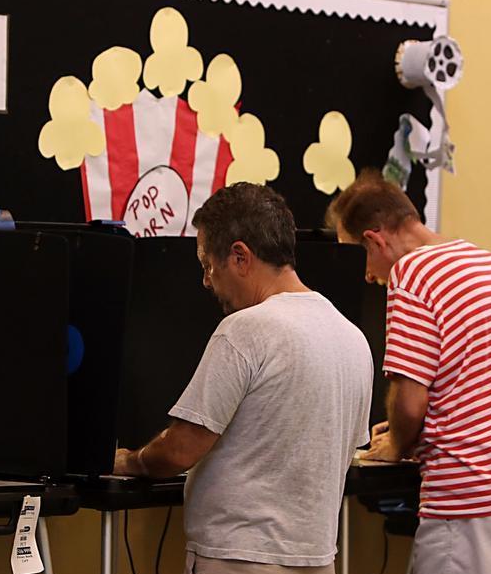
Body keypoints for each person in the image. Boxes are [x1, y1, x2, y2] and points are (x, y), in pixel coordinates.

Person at [114, 183, 374, 574]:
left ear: (239, 256)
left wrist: (129, 461)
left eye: (207, 265)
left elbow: (180, 450)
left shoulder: (244, 331)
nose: (206, 281)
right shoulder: (353, 338)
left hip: (238, 559)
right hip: (318, 559)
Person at [326, 170, 491, 574]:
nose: (367, 276)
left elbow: (410, 402)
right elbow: (483, 388)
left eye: (359, 256)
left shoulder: (413, 275)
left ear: (375, 239)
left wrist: (397, 445)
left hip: (476, 494)